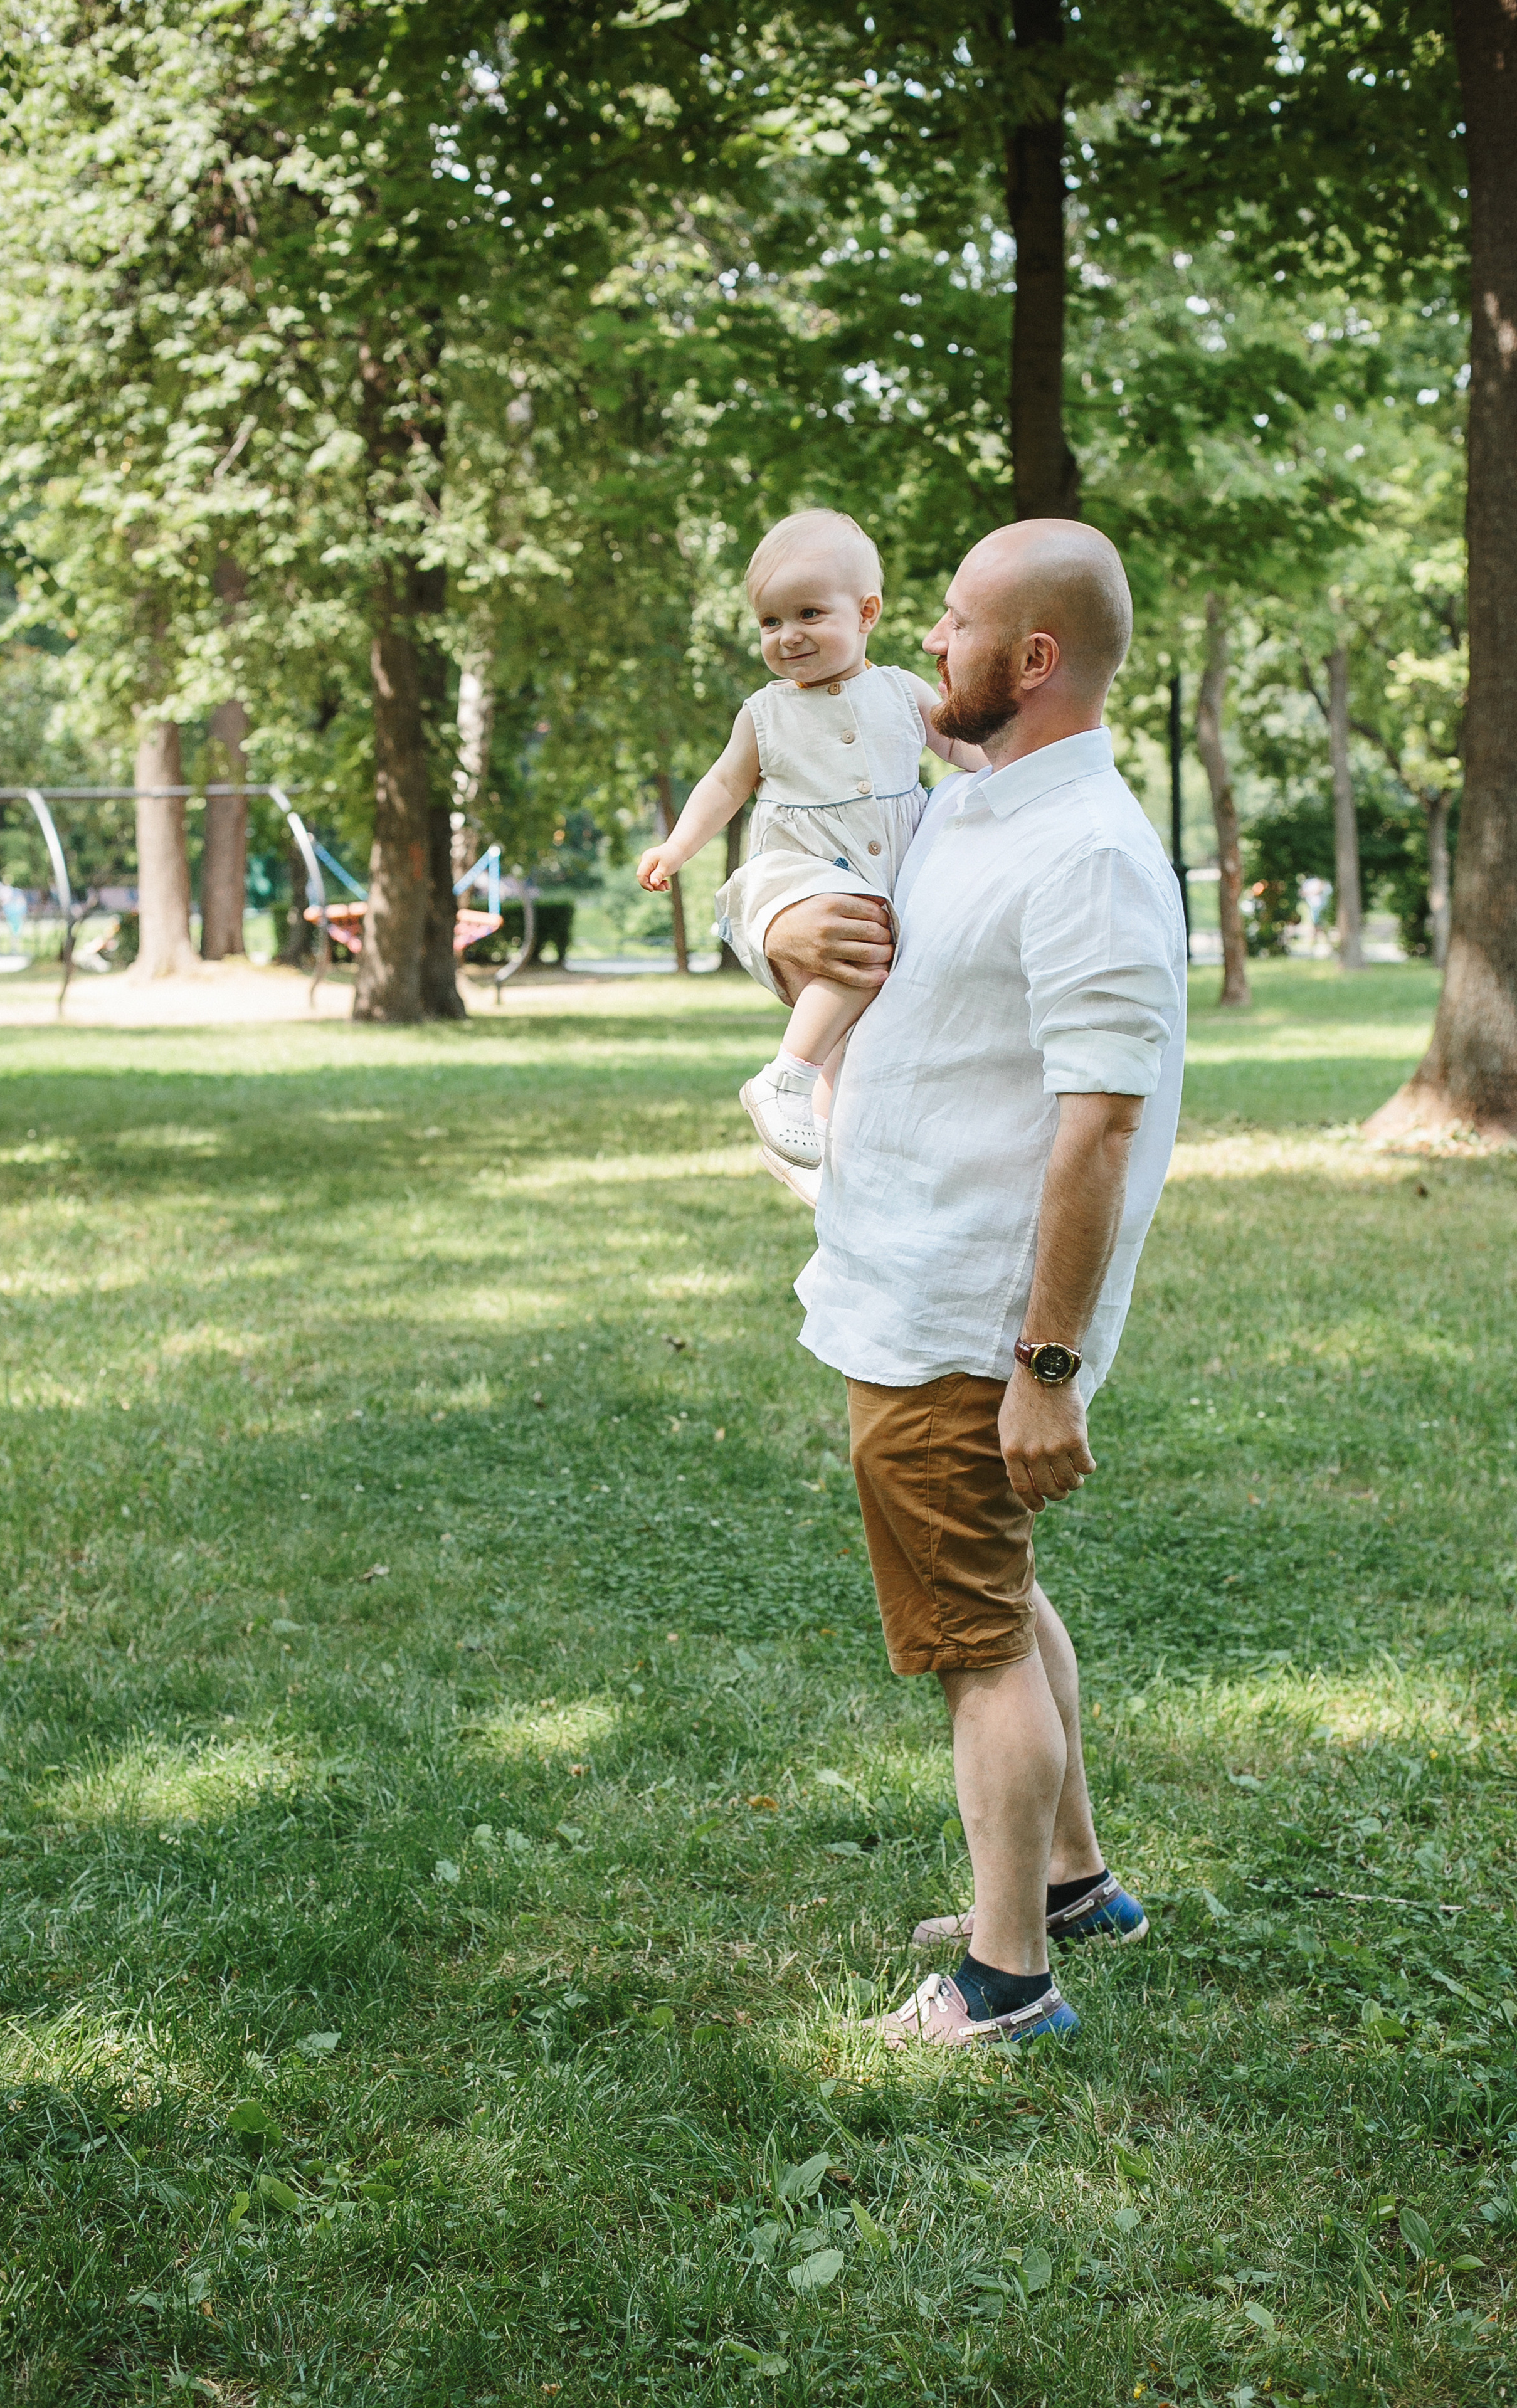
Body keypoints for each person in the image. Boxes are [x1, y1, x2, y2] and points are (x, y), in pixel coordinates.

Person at [731, 519, 1187, 2048]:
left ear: (1032, 658)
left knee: (976, 1645)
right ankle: (1073, 1884)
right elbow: (789, 861)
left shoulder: (1088, 855)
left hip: (966, 1326)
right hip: (904, 1287)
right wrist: (774, 918)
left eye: (953, 620)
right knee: (1001, 1594)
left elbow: (1098, 1128)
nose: (925, 641)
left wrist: (1043, 1370)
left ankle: (1003, 1983)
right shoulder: (971, 800)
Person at [635, 509, 984, 1168]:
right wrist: (676, 848)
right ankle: (785, 1078)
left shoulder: (901, 691)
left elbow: (962, 747)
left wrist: (1014, 760)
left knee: (858, 1029)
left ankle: (821, 1139)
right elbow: (723, 785)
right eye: (770, 622)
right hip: (807, 871)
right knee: (858, 950)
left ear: (867, 613)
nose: (787, 635)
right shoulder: (766, 713)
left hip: (889, 875)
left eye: (809, 614)